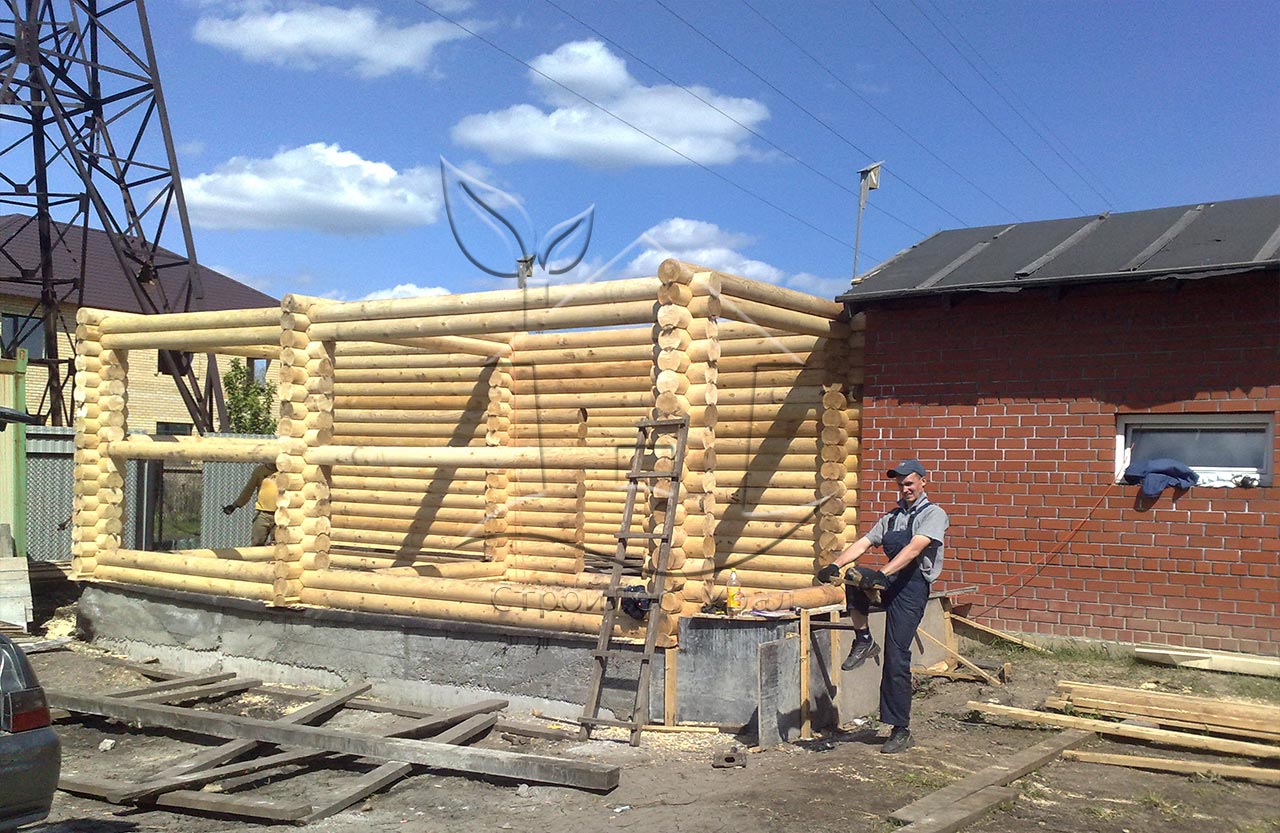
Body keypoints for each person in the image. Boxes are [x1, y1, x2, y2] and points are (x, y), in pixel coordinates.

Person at [816, 458, 948, 754]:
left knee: (896, 654)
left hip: (912, 588)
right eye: (900, 484)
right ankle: (863, 640)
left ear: (923, 482)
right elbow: (864, 542)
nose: (905, 489)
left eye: (909, 483)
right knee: (853, 577)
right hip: (889, 581)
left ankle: (900, 729)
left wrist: (882, 574)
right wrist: (835, 566)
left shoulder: (933, 514)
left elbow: (915, 549)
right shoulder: (891, 517)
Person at [222, 462, 278, 546]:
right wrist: (235, 505)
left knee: (278, 543)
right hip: (263, 513)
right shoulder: (260, 471)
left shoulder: (286, 471)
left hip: (281, 513)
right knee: (257, 541)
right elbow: (249, 489)